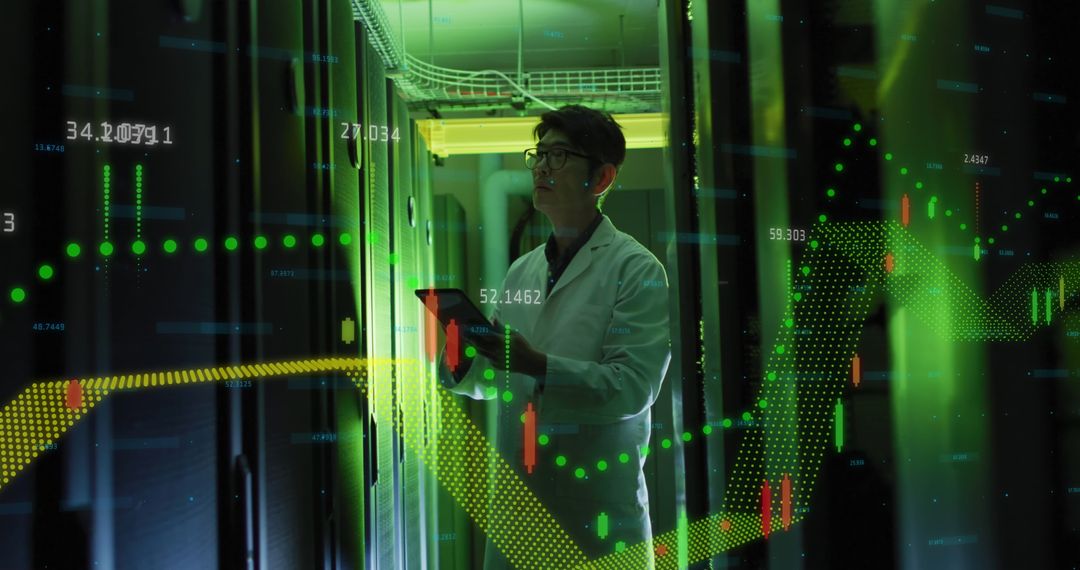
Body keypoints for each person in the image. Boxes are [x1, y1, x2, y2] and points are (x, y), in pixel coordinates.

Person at [437, 104, 671, 569]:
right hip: (519, 511)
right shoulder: (522, 271)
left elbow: (633, 387)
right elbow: (494, 378)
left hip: (595, 518)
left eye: (559, 155)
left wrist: (537, 364)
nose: (541, 167)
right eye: (539, 154)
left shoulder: (636, 268)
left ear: (601, 178)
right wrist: (459, 351)